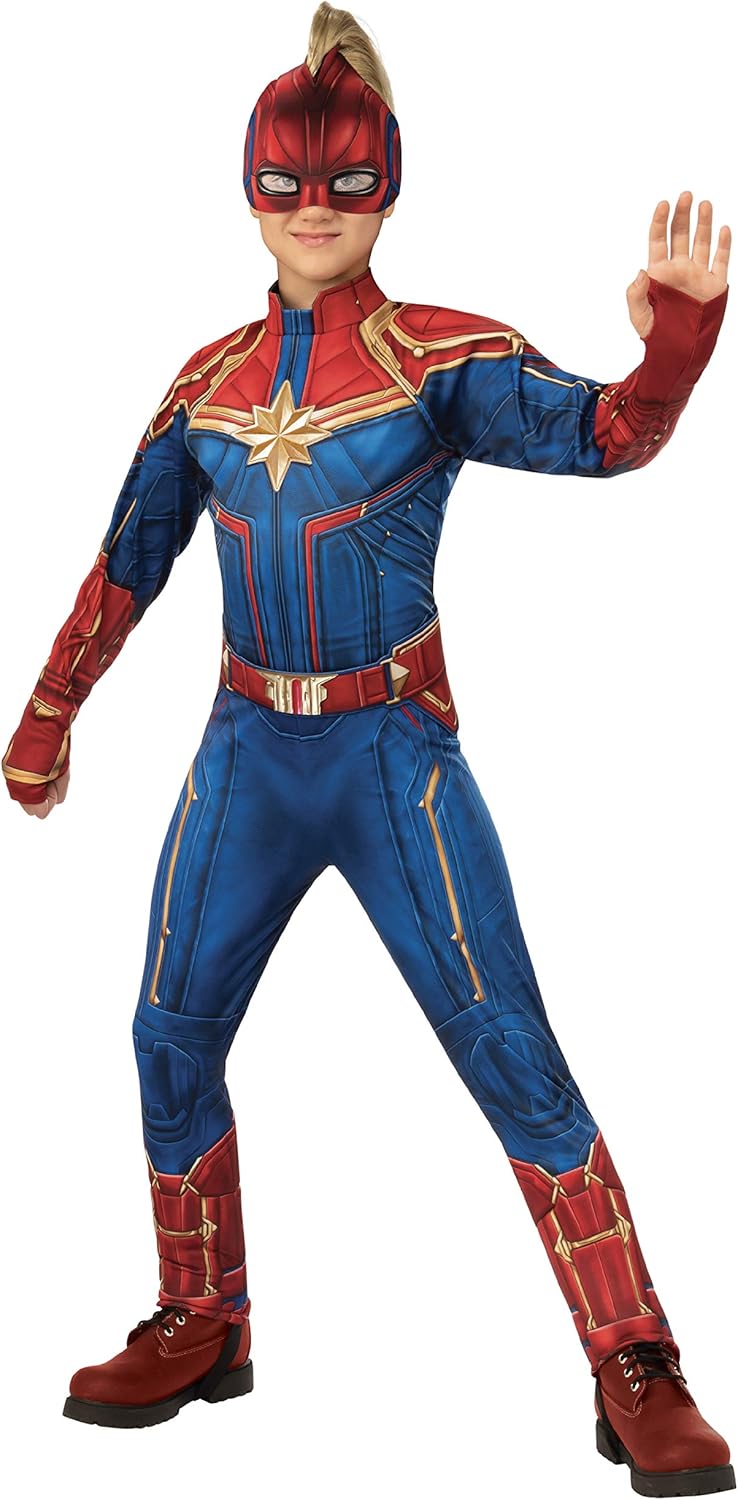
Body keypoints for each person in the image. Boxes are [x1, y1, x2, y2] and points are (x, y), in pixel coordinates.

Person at [3, 1, 733, 1487]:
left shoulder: (436, 359)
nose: (315, 208)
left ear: (388, 186)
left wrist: (673, 347)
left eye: (345, 182)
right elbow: (127, 560)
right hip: (246, 753)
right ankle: (204, 1318)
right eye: (285, 182)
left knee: (509, 1046)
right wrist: (49, 713)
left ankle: (632, 1357)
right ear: (247, 187)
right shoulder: (206, 384)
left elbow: (604, 437)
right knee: (167, 1034)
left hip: (391, 753)